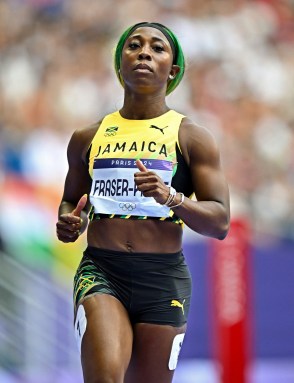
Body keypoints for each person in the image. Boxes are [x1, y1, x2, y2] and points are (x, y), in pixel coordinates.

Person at [56, 21, 230, 383]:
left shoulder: (193, 137)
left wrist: (171, 197)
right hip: (102, 271)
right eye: (134, 45)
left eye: (157, 48)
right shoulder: (87, 137)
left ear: (173, 70)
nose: (145, 53)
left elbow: (220, 222)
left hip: (163, 279)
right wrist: (70, 221)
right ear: (120, 62)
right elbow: (71, 201)